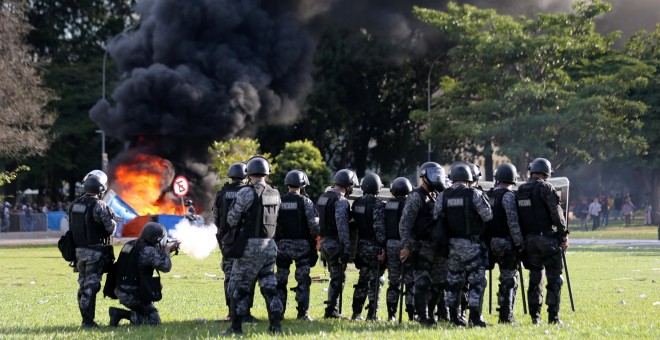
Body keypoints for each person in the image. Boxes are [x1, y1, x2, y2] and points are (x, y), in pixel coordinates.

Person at [224, 156, 283, 335]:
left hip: (250, 246)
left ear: (249, 174)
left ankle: (236, 328)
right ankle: (276, 326)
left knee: (241, 287)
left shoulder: (246, 193)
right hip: (270, 245)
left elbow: (231, 218)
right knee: (269, 287)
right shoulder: (275, 193)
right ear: (266, 172)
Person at [434, 162, 493, 327]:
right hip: (470, 245)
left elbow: (436, 217)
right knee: (477, 281)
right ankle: (475, 317)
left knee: (453, 281)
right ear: (468, 178)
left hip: (451, 245)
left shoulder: (442, 196)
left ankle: (454, 317)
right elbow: (487, 215)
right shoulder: (473, 194)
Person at [516, 158, 568, 324]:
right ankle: (553, 317)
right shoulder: (546, 187)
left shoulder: (521, 189)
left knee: (535, 278)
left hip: (529, 241)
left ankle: (535, 318)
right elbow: (556, 213)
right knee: (554, 278)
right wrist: (563, 234)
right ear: (546, 172)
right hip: (547, 239)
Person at [399, 162, 447, 326]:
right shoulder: (416, 197)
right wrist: (409, 246)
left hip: (437, 247)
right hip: (420, 247)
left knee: (439, 283)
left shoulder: (436, 196)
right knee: (422, 282)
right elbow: (404, 225)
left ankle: (431, 314)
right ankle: (423, 318)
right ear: (423, 177)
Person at [69, 174, 116, 328]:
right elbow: (110, 229)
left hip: (78, 252)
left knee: (83, 285)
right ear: (101, 188)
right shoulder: (100, 206)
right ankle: (88, 322)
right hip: (94, 253)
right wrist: (113, 219)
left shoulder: (74, 205)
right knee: (92, 286)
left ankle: (86, 319)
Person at [212, 162, 257, 322]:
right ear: (246, 175)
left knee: (230, 276)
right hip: (245, 240)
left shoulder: (221, 193)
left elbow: (215, 219)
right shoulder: (250, 192)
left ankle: (231, 312)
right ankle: (245, 312)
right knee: (247, 276)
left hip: (228, 240)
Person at [109, 222, 178, 326]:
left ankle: (118, 313)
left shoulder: (132, 244)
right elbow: (166, 267)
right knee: (154, 321)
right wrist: (167, 251)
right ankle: (120, 313)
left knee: (142, 314)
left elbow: (146, 258)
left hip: (120, 289)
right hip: (132, 294)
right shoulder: (148, 250)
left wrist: (166, 250)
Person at [275, 169, 320, 321]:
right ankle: (302, 314)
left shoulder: (279, 201)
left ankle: (278, 313)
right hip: (302, 247)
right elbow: (314, 226)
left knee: (280, 281)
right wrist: (312, 240)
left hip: (282, 246)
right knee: (303, 280)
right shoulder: (306, 202)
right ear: (302, 184)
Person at [485, 163, 524, 324]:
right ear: (513, 178)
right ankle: (505, 316)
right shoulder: (509, 196)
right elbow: (513, 222)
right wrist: (519, 243)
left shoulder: (489, 195)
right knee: (509, 279)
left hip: (488, 243)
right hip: (505, 243)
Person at [317, 169, 358, 319]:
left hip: (324, 242)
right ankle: (331, 311)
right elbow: (342, 227)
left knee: (335, 275)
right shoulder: (340, 200)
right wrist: (345, 250)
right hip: (335, 243)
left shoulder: (323, 197)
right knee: (339, 277)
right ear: (348, 185)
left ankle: (331, 310)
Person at [350, 172, 386, 321]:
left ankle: (356, 313)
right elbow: (378, 228)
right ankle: (372, 315)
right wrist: (383, 246)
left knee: (362, 280)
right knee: (376, 281)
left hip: (361, 245)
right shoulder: (377, 204)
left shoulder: (357, 202)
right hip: (374, 246)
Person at [384, 177, 415, 321]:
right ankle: (411, 314)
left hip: (390, 245)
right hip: (405, 245)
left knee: (393, 281)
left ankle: (391, 315)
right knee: (409, 281)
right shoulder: (409, 204)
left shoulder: (388, 204)